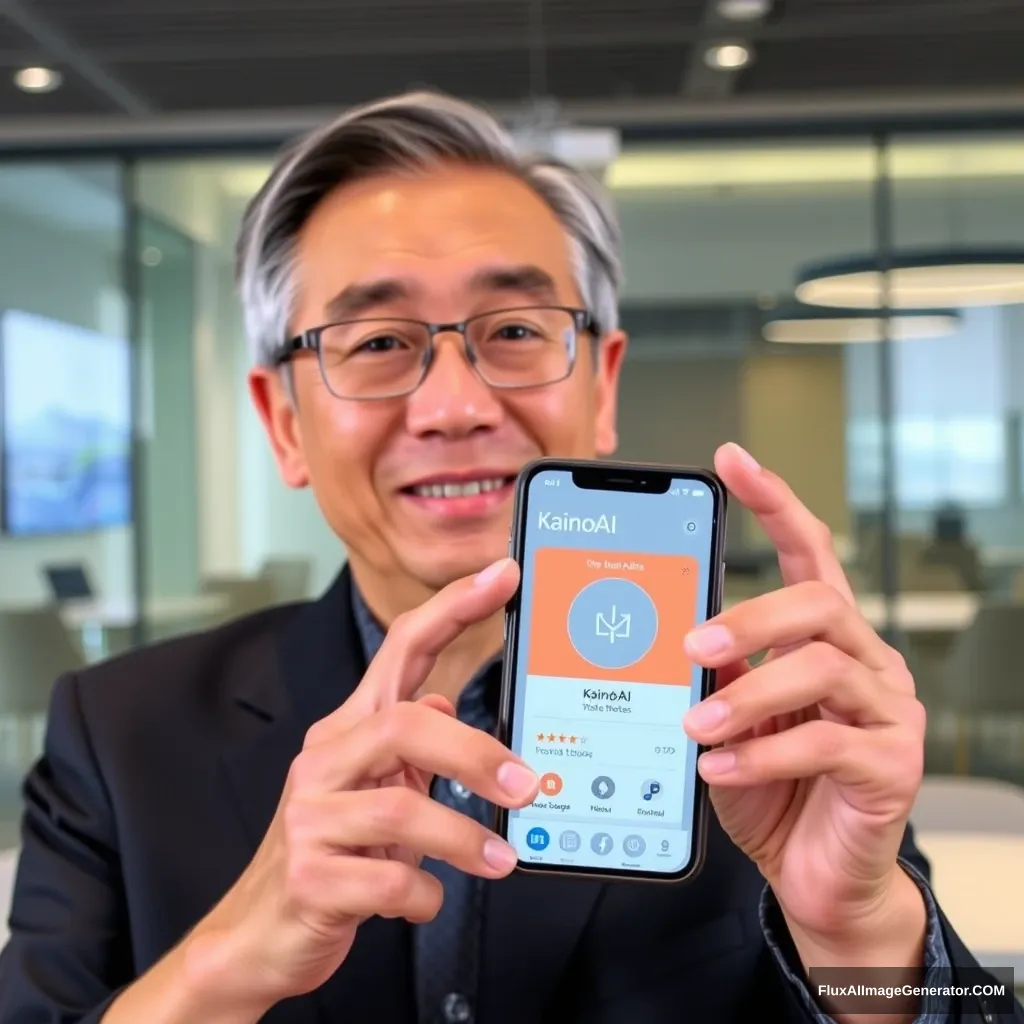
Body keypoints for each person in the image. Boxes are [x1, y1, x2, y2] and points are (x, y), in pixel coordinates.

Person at [0, 91, 1018, 1024]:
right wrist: (228, 957)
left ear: (603, 384)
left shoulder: (764, 719)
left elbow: (979, 996)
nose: (454, 407)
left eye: (518, 329)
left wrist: (866, 935)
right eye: (378, 342)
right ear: (282, 423)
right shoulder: (118, 736)